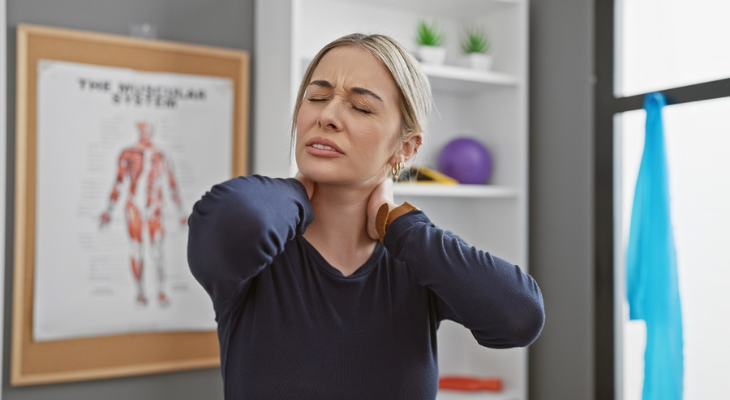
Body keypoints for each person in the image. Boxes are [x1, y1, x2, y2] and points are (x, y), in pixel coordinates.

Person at [187, 33, 544, 399]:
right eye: (317, 97)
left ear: (404, 148)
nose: (327, 116)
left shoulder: (419, 262)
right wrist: (296, 191)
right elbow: (236, 219)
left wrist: (402, 228)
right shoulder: (256, 258)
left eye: (360, 107)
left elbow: (520, 318)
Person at [100, 120, 187, 306]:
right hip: (134, 207)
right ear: (139, 130)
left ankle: (161, 291)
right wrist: (108, 209)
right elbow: (119, 182)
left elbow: (172, 185)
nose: (146, 132)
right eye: (143, 128)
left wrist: (181, 212)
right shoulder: (128, 153)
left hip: (155, 208)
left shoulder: (162, 156)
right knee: (136, 250)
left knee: (157, 251)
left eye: (149, 129)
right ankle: (140, 291)